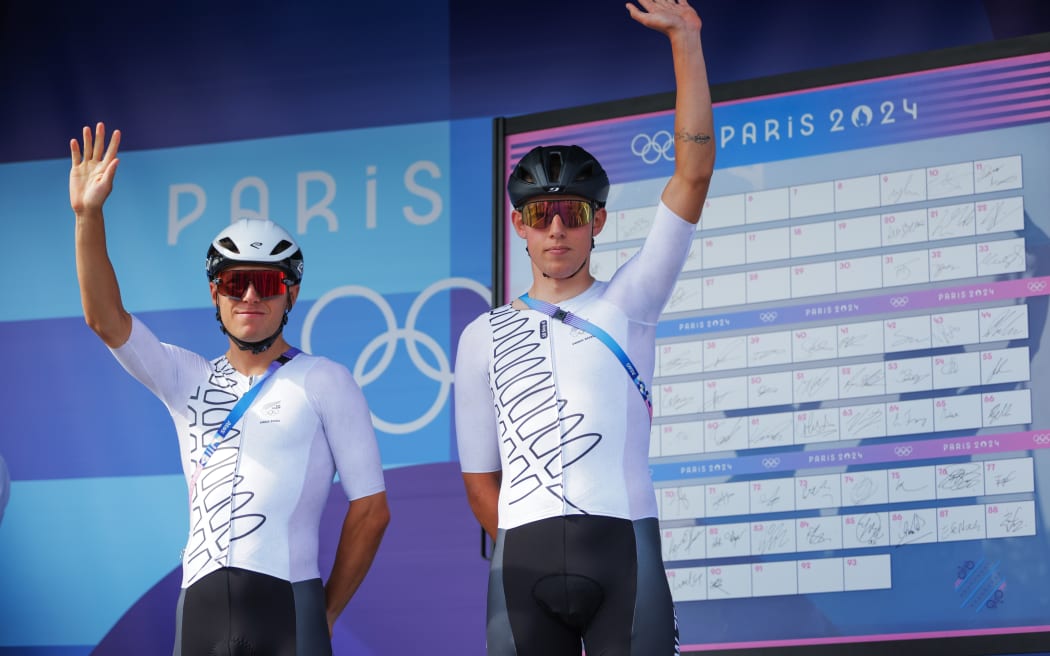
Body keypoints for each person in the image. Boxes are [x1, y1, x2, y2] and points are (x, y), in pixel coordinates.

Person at [69, 123, 390, 655]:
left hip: (291, 608)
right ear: (215, 294)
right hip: (199, 613)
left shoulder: (326, 379)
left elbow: (372, 509)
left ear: (290, 294)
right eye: (232, 282)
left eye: (266, 283)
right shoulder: (185, 376)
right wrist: (88, 216)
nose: (248, 296)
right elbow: (105, 320)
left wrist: (325, 611)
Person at [453, 1, 714, 654]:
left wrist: (686, 40)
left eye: (571, 213)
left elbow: (693, 172)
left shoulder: (632, 299)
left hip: (623, 555)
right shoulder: (481, 336)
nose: (557, 230)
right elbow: (479, 478)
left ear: (597, 221)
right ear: (520, 225)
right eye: (541, 215)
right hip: (522, 571)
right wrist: (523, 534)